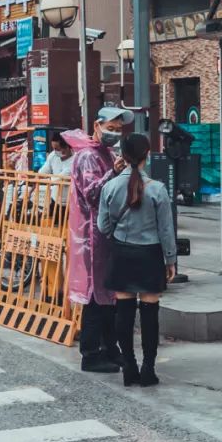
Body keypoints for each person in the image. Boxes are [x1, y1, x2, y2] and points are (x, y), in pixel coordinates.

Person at [97, 133, 176, 387]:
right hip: (150, 254)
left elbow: (102, 225)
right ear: (147, 154)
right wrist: (170, 260)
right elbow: (166, 230)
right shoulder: (157, 188)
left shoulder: (110, 186)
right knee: (150, 312)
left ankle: (128, 366)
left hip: (122, 252)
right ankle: (148, 369)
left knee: (124, 311)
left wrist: (116, 235)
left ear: (124, 156)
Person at [63, 107, 134, 373]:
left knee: (109, 296)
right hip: (92, 237)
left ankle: (109, 348)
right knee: (95, 296)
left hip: (107, 234)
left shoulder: (106, 154)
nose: (114, 134)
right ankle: (91, 353)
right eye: (111, 128)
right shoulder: (87, 157)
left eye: (119, 130)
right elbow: (92, 194)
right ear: (97, 125)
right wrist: (112, 174)